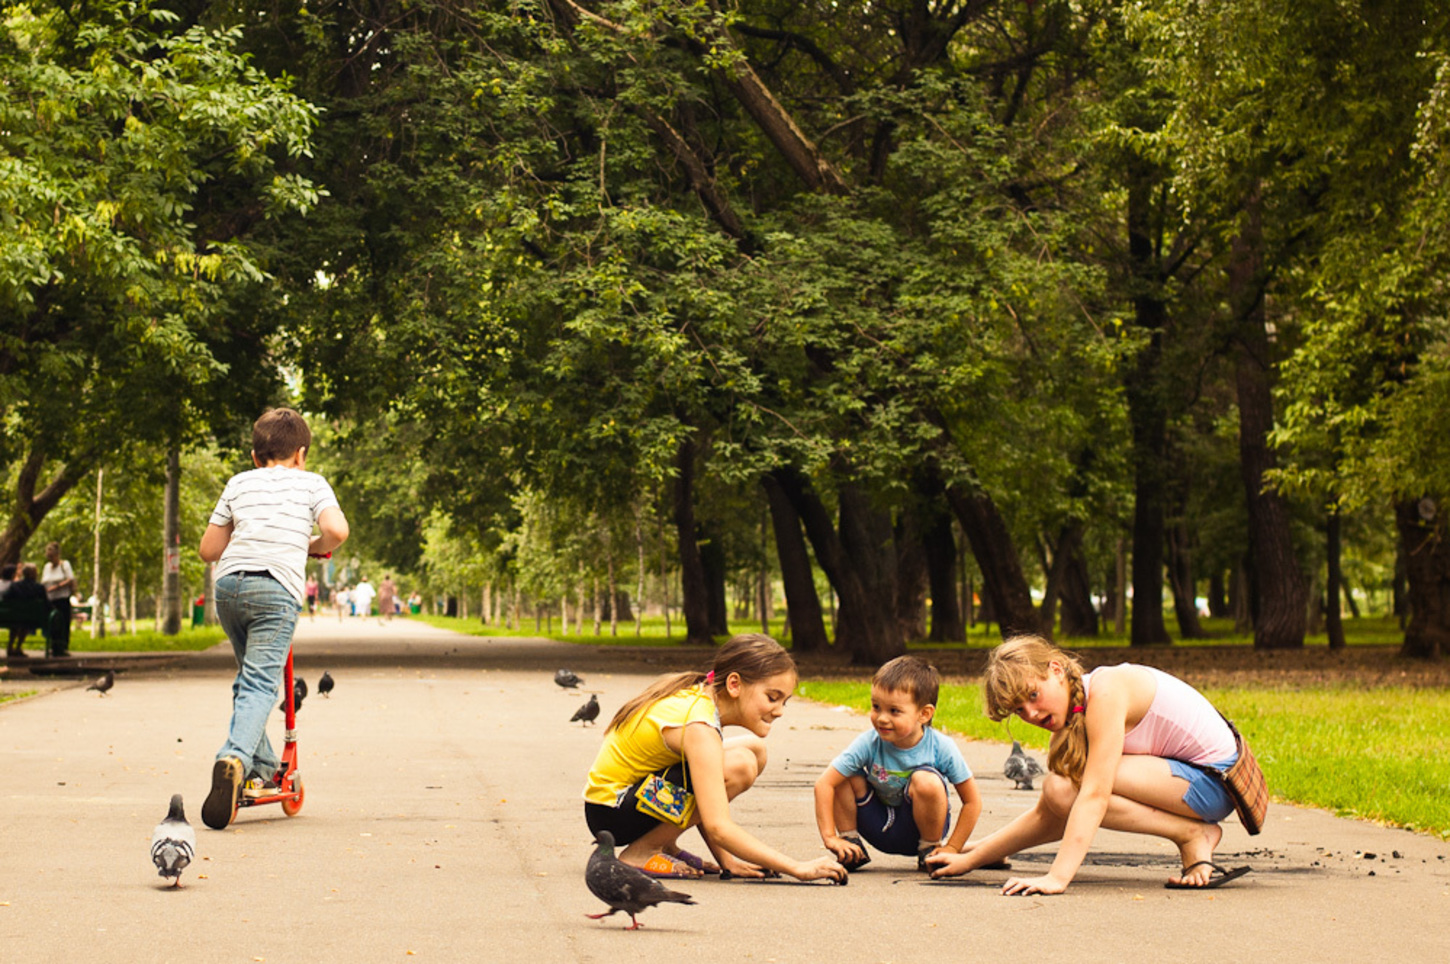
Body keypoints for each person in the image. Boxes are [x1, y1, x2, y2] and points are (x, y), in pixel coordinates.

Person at [927, 635, 1250, 893]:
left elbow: (1094, 795)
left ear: (1056, 669)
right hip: (1184, 781)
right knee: (1060, 788)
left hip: (1214, 784)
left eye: (1034, 695)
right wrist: (974, 854)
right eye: (1019, 710)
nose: (1032, 714)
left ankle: (1192, 834)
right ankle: (1191, 833)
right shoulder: (1074, 714)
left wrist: (1057, 878)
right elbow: (1050, 813)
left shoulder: (1107, 693)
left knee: (1076, 781)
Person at [583, 633, 846, 883]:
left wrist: (727, 862)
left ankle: (662, 841)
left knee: (754, 749)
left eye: (784, 702)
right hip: (612, 813)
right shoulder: (700, 725)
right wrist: (796, 867)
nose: (779, 711)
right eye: (772, 697)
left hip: (627, 801)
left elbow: (707, 797)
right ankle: (643, 850)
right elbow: (717, 824)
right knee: (739, 766)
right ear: (734, 685)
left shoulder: (703, 699)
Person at [198, 407, 349, 830]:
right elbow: (338, 531)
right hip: (276, 588)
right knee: (263, 682)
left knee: (250, 681)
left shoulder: (238, 482)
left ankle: (264, 771)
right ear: (301, 454)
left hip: (229, 588)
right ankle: (233, 757)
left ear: (254, 454)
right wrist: (313, 545)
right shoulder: (311, 483)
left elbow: (209, 550)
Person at [814, 655, 983, 872]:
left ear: (924, 714)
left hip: (918, 830)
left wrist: (953, 847)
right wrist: (830, 836)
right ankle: (851, 846)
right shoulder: (868, 742)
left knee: (926, 780)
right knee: (843, 775)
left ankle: (929, 851)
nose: (882, 718)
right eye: (876, 707)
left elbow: (973, 802)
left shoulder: (940, 747)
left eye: (894, 711)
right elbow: (824, 784)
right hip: (877, 825)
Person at [41, 542, 76, 657]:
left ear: (57, 555)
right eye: (48, 557)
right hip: (51, 600)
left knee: (64, 623)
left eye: (52, 556)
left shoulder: (64, 565)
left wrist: (56, 586)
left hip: (62, 598)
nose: (50, 559)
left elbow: (70, 579)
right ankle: (53, 646)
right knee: (53, 624)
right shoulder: (47, 567)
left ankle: (63, 647)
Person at [4, 563, 47, 658]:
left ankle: (10, 646)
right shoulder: (39, 588)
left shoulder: (14, 586)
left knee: (16, 621)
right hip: (32, 619)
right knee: (25, 622)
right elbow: (46, 603)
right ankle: (18, 647)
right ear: (33, 574)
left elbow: (6, 598)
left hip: (13, 617)